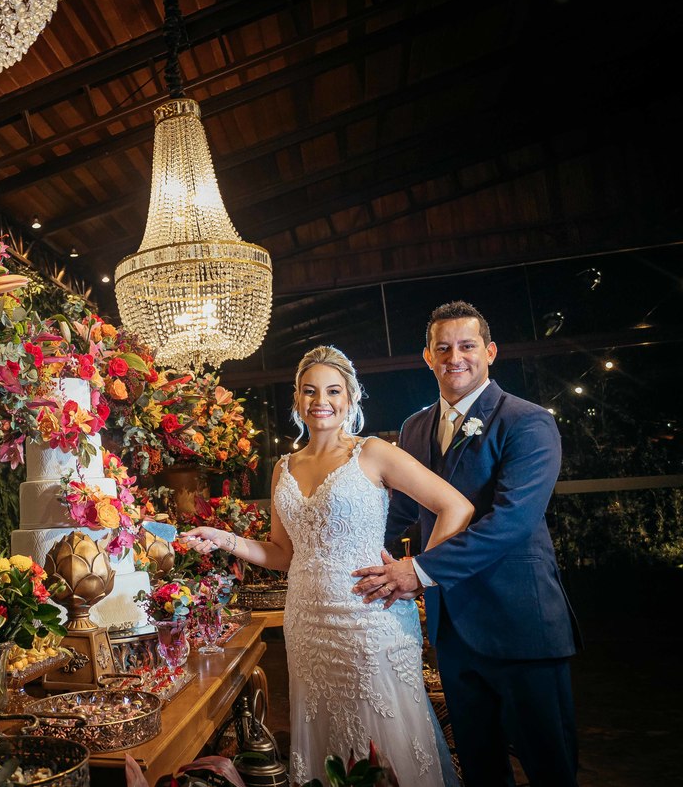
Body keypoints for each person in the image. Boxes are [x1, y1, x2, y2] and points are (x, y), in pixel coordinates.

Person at [185, 346, 472, 786]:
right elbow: (283, 554)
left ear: (351, 398)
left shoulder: (373, 452)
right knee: (326, 739)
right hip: (306, 623)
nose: (322, 400)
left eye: (333, 390)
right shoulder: (283, 467)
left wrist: (417, 572)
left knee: (384, 741)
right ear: (298, 400)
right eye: (310, 390)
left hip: (367, 618)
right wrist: (224, 539)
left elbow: (455, 506)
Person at [351, 300, 581, 787]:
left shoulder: (528, 421)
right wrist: (344, 553)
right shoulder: (414, 429)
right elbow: (402, 513)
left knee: (550, 768)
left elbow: (512, 521)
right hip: (452, 630)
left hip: (521, 625)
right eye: (443, 347)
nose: (455, 356)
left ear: (490, 352)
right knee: (479, 768)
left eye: (467, 345)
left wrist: (419, 570)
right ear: (427, 357)